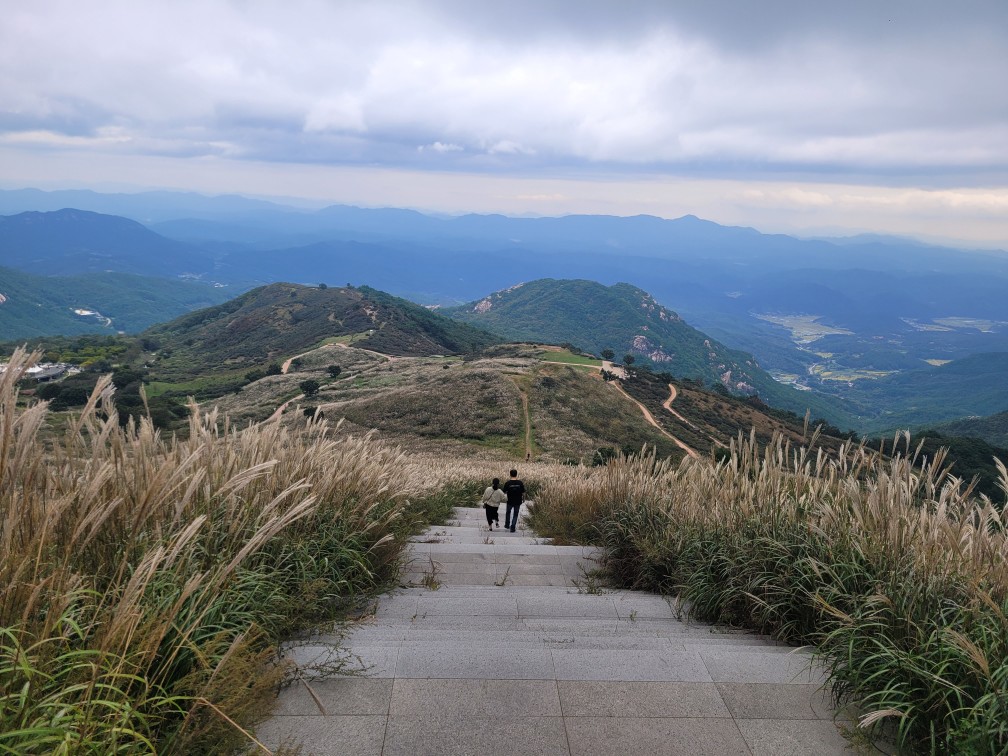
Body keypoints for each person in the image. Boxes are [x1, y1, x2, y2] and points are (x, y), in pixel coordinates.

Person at [501, 468, 526, 533]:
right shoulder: (520, 483)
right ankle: (513, 526)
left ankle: (507, 524)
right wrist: (523, 499)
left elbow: (504, 492)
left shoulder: (507, 483)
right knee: (515, 514)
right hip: (518, 501)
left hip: (509, 500)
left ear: (510, 474)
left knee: (508, 512)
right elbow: (523, 492)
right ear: (516, 474)